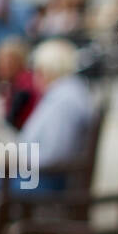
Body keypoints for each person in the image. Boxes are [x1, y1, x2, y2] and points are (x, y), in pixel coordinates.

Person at [11, 40, 95, 193]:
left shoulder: (64, 101)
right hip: (44, 174)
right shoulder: (67, 93)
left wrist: (12, 160)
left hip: (46, 179)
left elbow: (53, 155)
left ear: (45, 70)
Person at [0, 38, 40, 129]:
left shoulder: (24, 83)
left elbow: (10, 121)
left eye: (9, 61)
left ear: (20, 61)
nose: (3, 66)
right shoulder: (13, 83)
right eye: (1, 61)